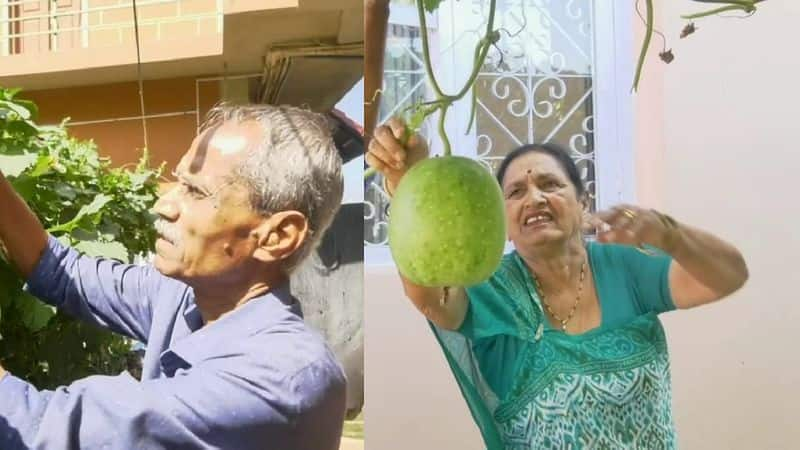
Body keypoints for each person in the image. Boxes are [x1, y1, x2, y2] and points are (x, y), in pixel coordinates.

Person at [367, 118, 749, 449]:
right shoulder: (490, 289)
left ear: (582, 204)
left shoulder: (624, 265)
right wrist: (408, 181)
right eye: (516, 192)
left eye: (550, 184)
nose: (534, 197)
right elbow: (429, 295)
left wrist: (670, 234)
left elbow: (727, 277)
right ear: (502, 220)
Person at [0, 104, 347, 449]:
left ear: (278, 236)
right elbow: (63, 273)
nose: (163, 206)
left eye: (196, 192)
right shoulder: (186, 298)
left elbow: (46, 430)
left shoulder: (283, 379)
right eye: (179, 183)